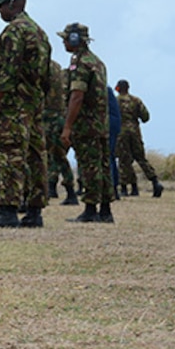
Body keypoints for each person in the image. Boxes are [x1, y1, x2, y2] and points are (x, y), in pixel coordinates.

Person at [0, 0, 51, 228]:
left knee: (10, 155)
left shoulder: (13, 32)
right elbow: (47, 75)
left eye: (2, 5)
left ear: (14, 4)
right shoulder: (40, 33)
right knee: (35, 156)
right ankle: (35, 211)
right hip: (33, 104)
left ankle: (8, 211)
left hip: (13, 104)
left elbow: (8, 71)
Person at [58, 23, 114, 223]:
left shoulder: (80, 63)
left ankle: (90, 209)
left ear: (75, 39)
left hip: (86, 124)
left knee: (89, 166)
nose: (63, 42)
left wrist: (67, 126)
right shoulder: (98, 62)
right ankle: (105, 210)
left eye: (66, 38)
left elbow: (77, 96)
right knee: (103, 165)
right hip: (100, 124)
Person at [115, 80, 164, 198]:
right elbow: (146, 117)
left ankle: (125, 188)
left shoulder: (115, 101)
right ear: (128, 88)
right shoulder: (136, 100)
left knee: (124, 160)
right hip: (135, 132)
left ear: (118, 88)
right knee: (141, 158)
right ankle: (155, 182)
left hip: (121, 132)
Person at [43, 59, 77, 206]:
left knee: (43, 156)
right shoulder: (57, 67)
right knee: (59, 156)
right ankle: (70, 192)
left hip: (46, 118)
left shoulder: (41, 66)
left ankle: (43, 192)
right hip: (59, 117)